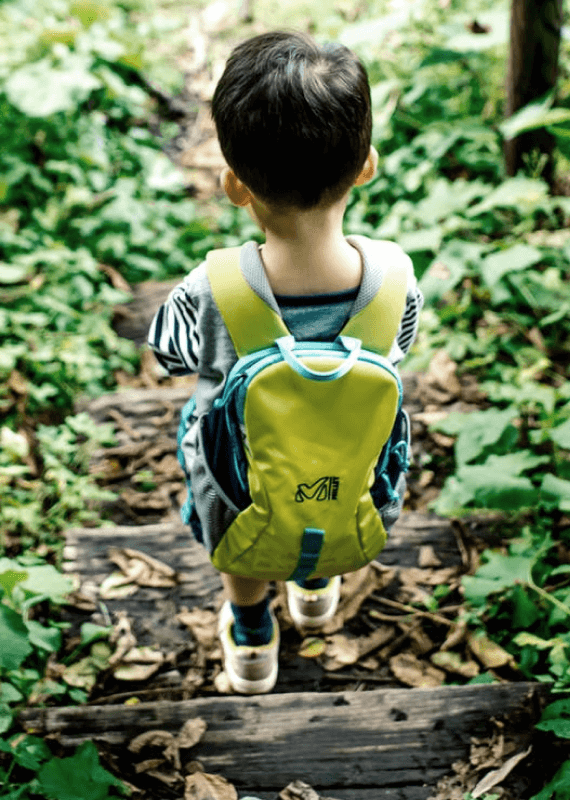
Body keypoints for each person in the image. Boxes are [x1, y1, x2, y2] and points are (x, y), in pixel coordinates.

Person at [148, 31, 423, 694]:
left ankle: (250, 636)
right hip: (344, 475)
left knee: (240, 529)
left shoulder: (211, 287)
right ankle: (315, 584)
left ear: (234, 186)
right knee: (317, 493)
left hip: (242, 481)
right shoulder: (393, 279)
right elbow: (400, 349)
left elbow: (168, 353)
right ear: (366, 167)